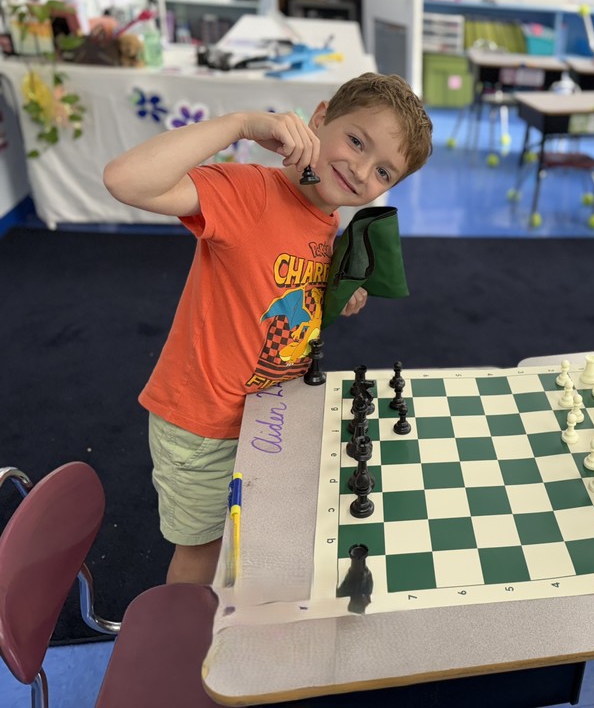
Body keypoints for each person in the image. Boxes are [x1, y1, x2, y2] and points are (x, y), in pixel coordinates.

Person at [103, 73, 433, 584]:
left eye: (384, 171)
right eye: (355, 140)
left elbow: (278, 284)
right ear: (319, 119)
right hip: (203, 424)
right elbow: (125, 180)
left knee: (249, 538)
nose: (361, 170)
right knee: (201, 557)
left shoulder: (327, 219)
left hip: (267, 416)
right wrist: (241, 123)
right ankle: (189, 654)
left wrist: (331, 294)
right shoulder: (252, 191)